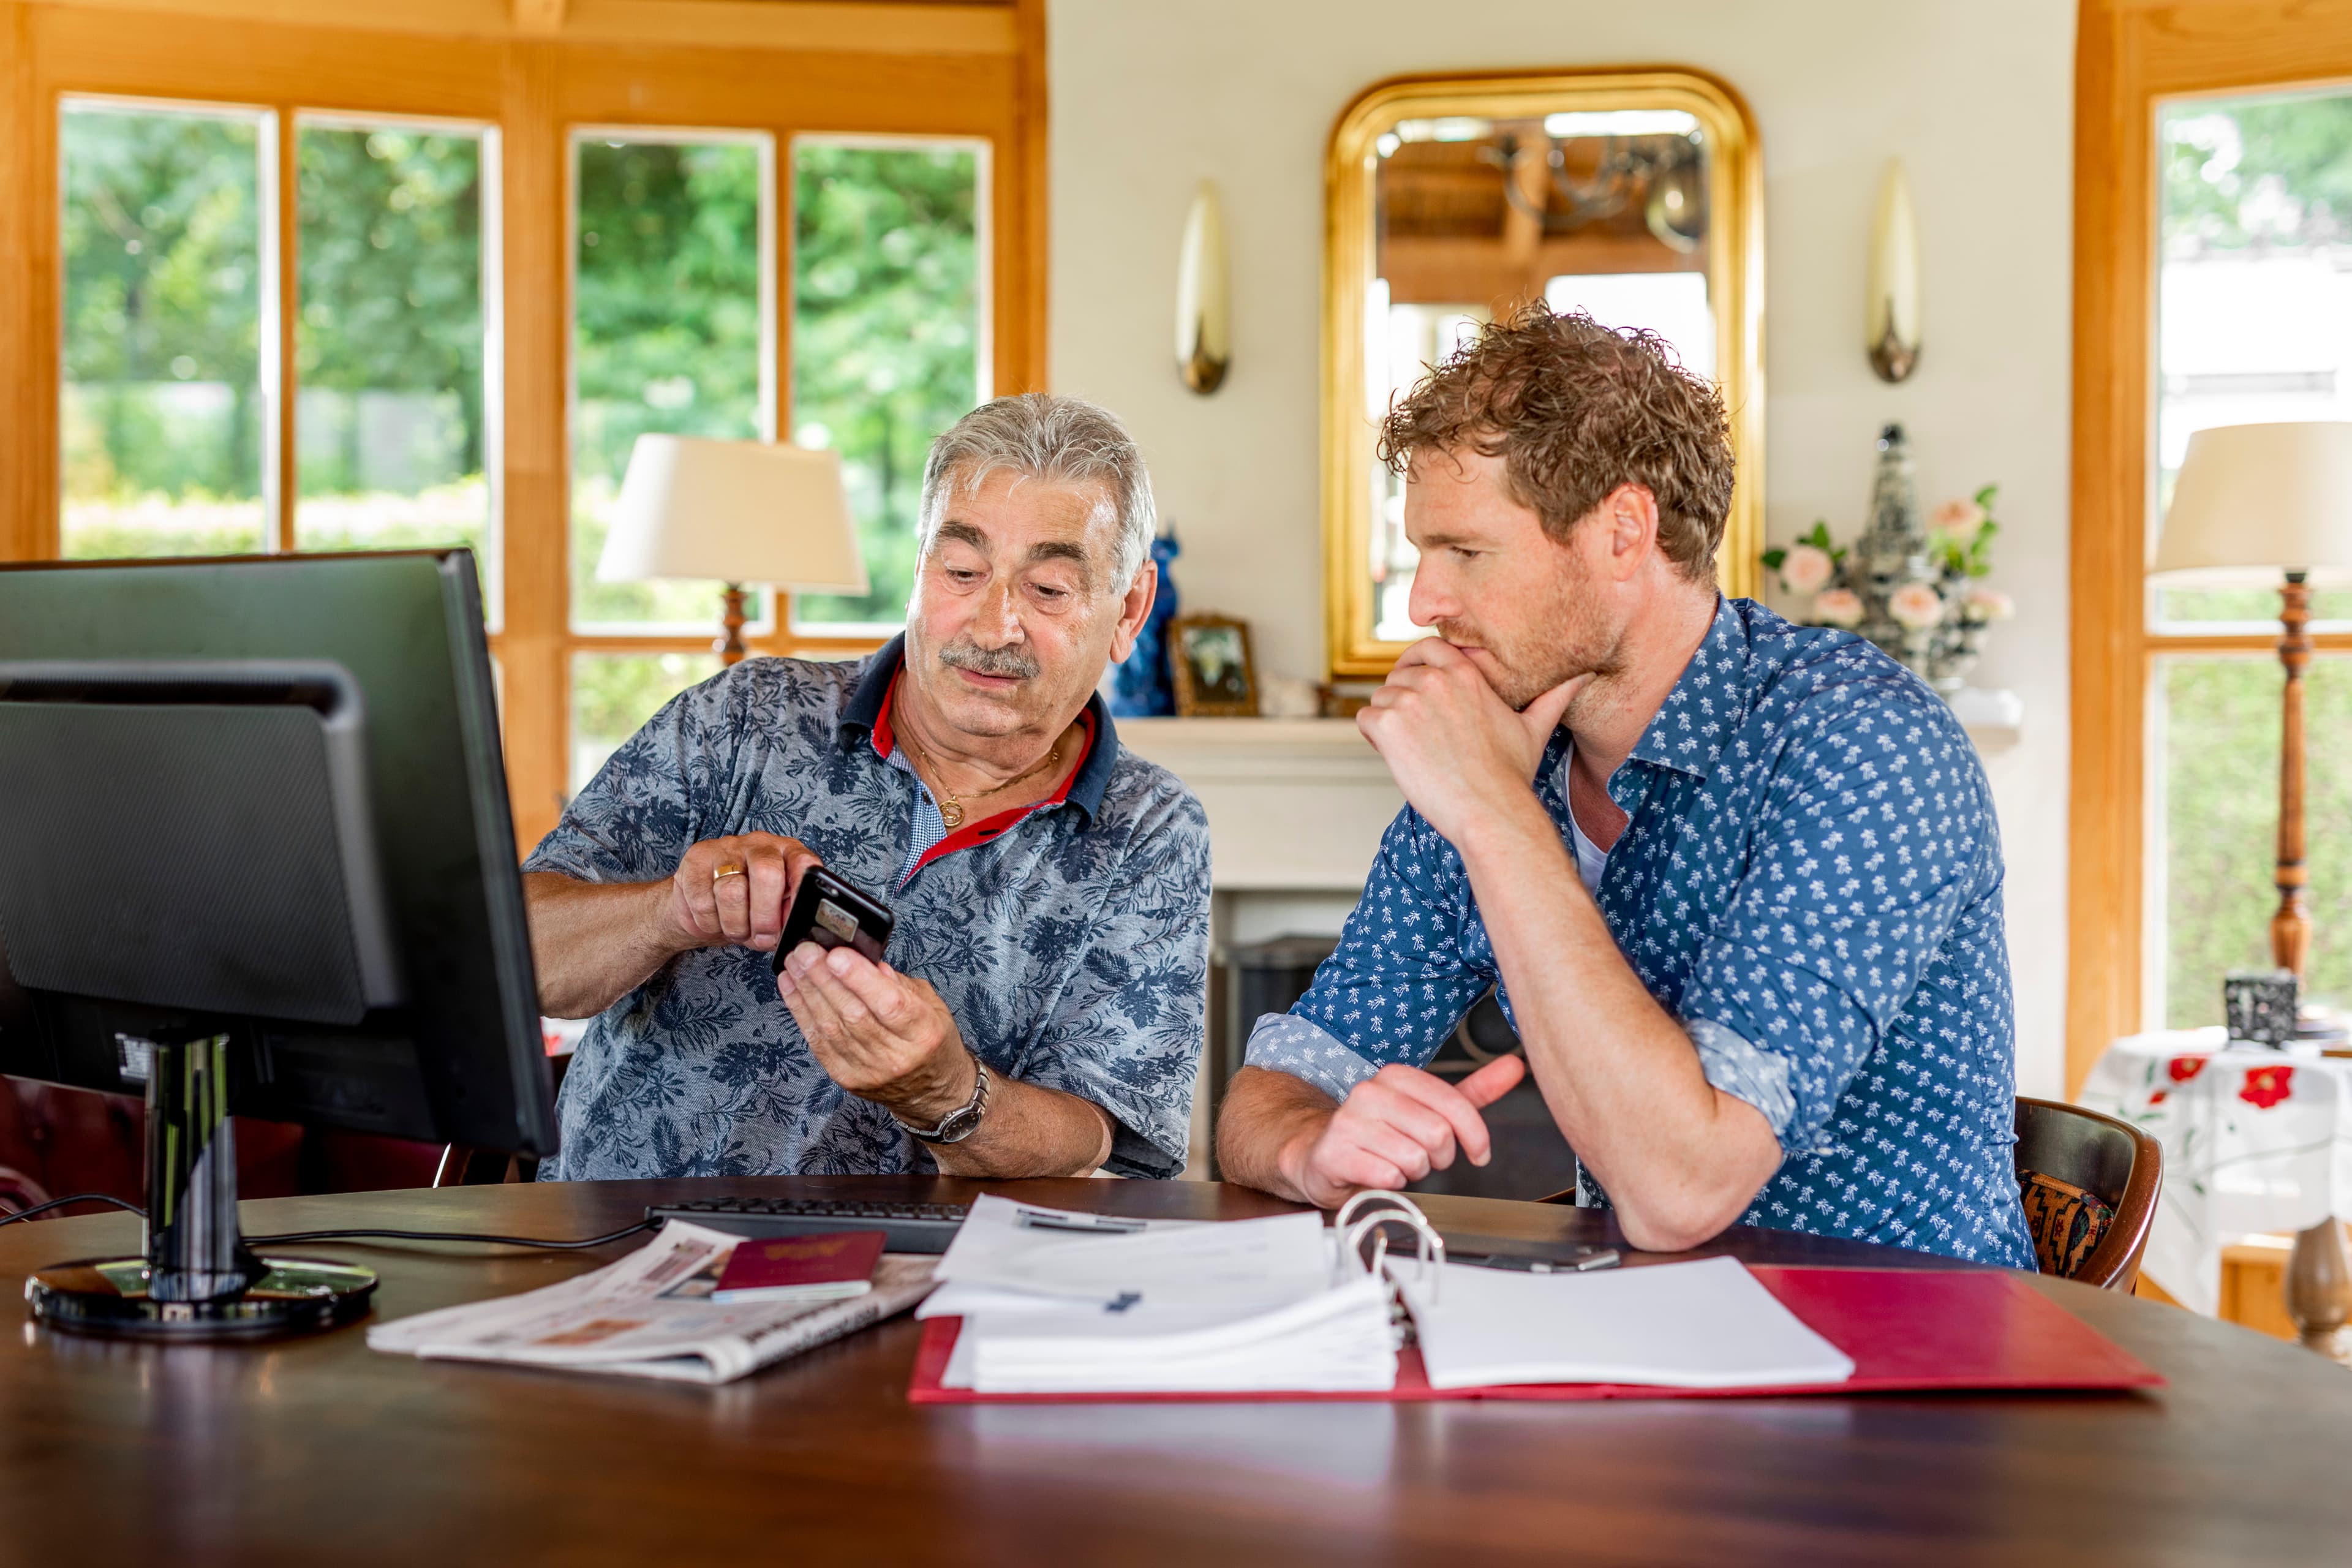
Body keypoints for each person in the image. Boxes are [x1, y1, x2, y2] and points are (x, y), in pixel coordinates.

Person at [1216, 305, 2035, 1268]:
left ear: (1623, 532)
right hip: (1648, 1323)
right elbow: (1272, 1090)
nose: (1424, 603)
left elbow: (1681, 1193)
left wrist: (1495, 815)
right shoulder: (1502, 752)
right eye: (1422, 553)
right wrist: (1310, 1147)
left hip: (1898, 1340)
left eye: (1465, 552)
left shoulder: (1863, 745)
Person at [525, 394, 1211, 1182]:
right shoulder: (745, 714)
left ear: (1130, 609)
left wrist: (948, 1096)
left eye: (1049, 588)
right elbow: (520, 958)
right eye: (963, 572)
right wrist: (667, 913)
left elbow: (1096, 1133)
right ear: (919, 568)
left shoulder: (1150, 828)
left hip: (895, 1254)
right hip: (615, 1229)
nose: (993, 627)